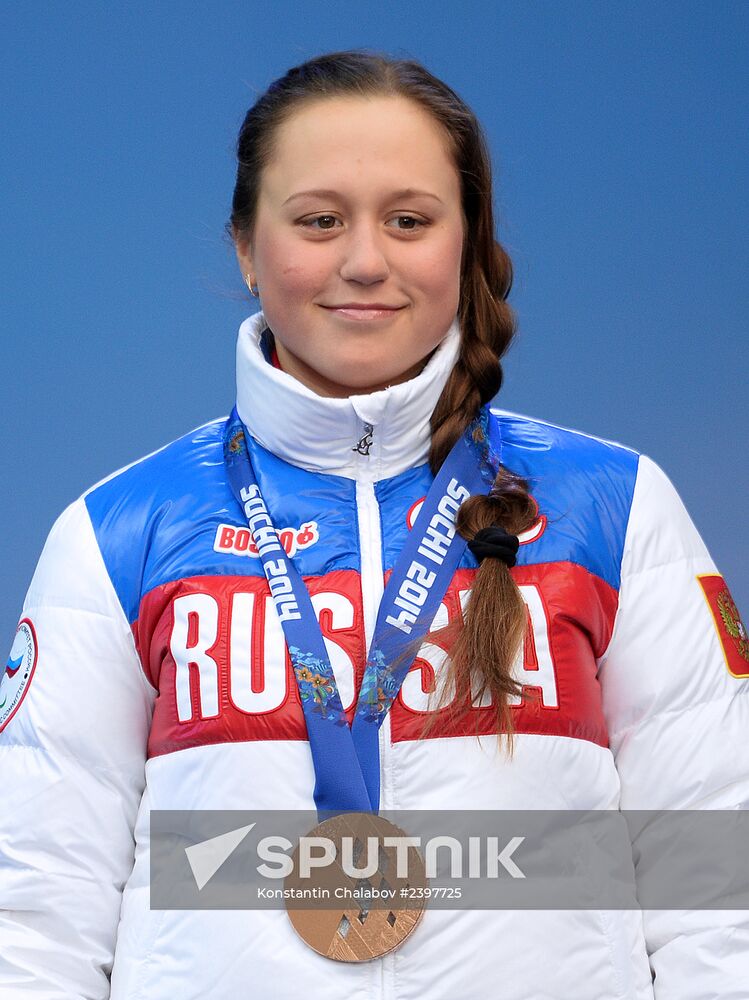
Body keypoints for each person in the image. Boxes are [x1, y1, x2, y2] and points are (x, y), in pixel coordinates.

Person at [1, 48, 747, 1000]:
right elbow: (32, 906)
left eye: (408, 220)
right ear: (243, 242)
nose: (363, 260)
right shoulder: (120, 531)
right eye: (318, 220)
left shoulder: (614, 504)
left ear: (465, 240)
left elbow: (720, 883)